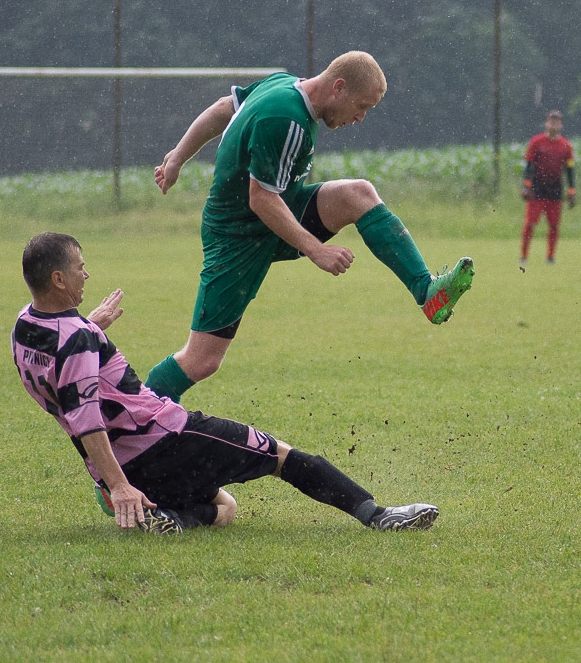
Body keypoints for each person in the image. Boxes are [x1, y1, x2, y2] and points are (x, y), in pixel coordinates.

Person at [11, 232, 439, 534]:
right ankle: (379, 515)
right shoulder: (79, 339)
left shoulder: (26, 329)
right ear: (58, 279)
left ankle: (173, 519)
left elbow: (65, 377)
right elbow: (86, 417)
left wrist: (92, 328)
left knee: (226, 508)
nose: (87, 275)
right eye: (81, 268)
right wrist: (121, 488)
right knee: (282, 457)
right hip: (167, 440)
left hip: (122, 468)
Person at [146, 51, 474, 404]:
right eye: (361, 106)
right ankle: (137, 412)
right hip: (238, 238)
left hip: (280, 210)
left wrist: (178, 156)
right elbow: (261, 199)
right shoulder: (287, 120)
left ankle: (427, 292)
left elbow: (225, 107)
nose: (360, 118)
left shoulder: (283, 83)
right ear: (339, 86)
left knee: (358, 194)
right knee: (202, 360)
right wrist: (317, 250)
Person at [519, 110, 576, 265]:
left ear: (561, 125)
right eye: (551, 121)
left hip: (555, 192)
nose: (554, 125)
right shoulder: (536, 142)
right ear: (546, 123)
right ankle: (523, 257)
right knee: (530, 224)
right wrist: (526, 186)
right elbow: (529, 166)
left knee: (553, 225)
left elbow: (570, 170)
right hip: (536, 191)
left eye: (557, 122)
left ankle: (550, 257)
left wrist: (572, 191)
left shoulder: (566, 146)